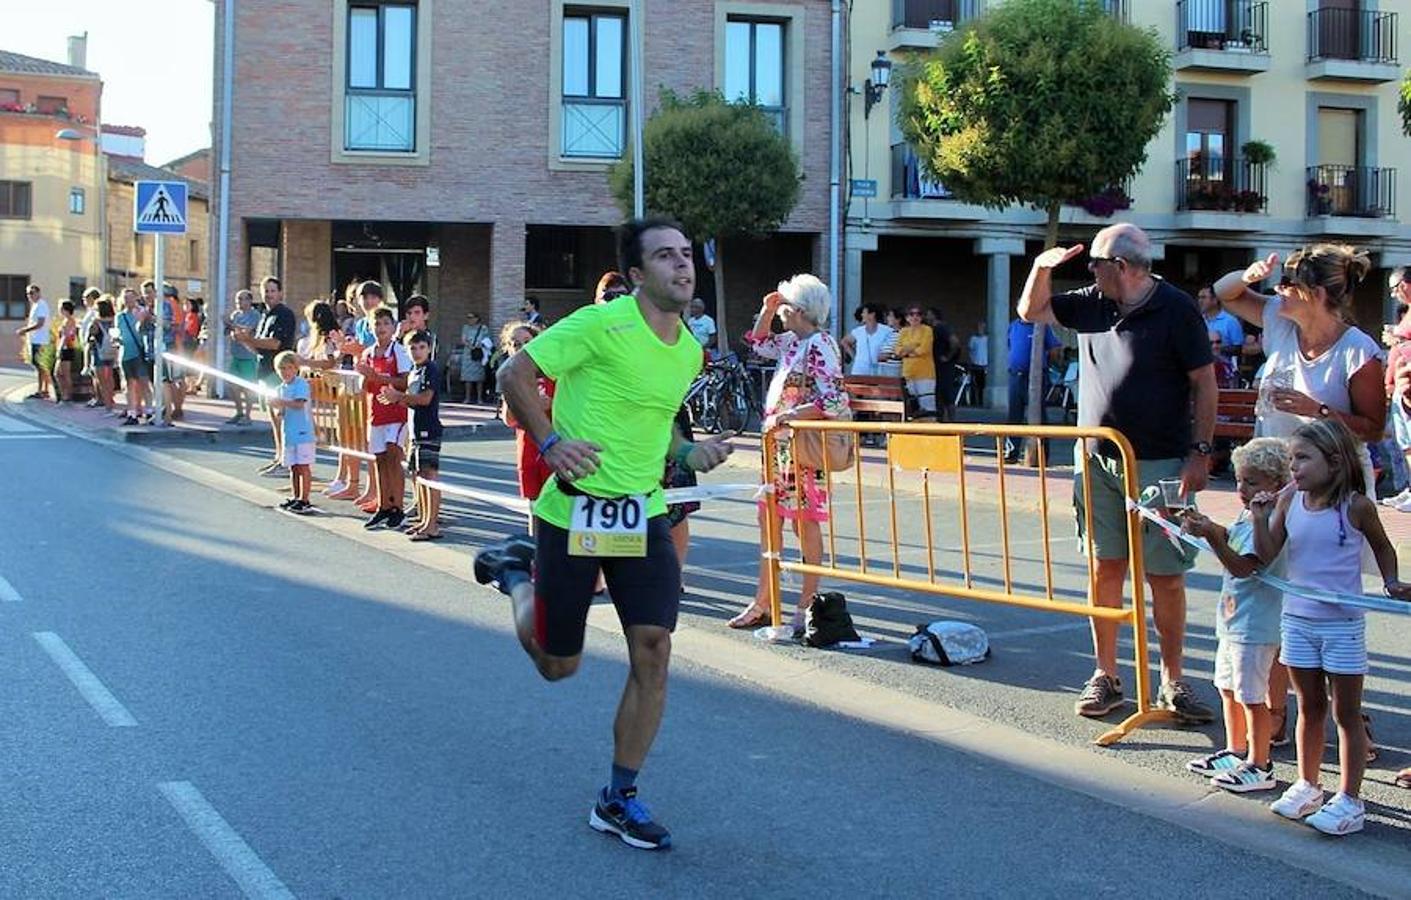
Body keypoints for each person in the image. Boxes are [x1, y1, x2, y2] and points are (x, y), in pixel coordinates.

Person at [473, 217, 733, 851]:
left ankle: (619, 796)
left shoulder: (689, 349)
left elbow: (660, 415)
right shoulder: (599, 325)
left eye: (686, 255)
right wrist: (551, 441)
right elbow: (514, 374)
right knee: (558, 665)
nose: (682, 265)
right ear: (638, 275)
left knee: (655, 649)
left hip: (640, 513)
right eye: (665, 257)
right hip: (574, 512)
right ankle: (515, 575)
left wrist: (687, 453)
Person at [1019, 223, 1218, 723]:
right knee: (1105, 566)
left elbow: (1204, 382)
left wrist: (1200, 452)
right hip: (1098, 456)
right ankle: (1105, 675)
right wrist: (1042, 268)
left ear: (1123, 267)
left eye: (1097, 264)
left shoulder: (1176, 309)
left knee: (1165, 575)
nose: (1088, 273)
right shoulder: (1093, 301)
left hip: (1161, 462)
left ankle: (1174, 679)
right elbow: (1031, 311)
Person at [1253, 419, 1411, 835]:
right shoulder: (1289, 502)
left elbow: (1382, 545)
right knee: (1309, 706)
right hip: (1297, 620)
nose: (1294, 469)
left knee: (1346, 712)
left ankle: (1350, 798)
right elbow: (1268, 553)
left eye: (1303, 458)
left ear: (1336, 461)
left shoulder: (1357, 506)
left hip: (1342, 625)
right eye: (1291, 460)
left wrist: (1392, 581)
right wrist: (1260, 516)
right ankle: (1308, 784)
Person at [1213, 246, 1385, 497]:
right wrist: (1246, 277)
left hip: (1334, 489)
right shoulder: (1279, 320)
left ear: (1316, 293)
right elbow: (1224, 293)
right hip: (1277, 481)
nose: (1278, 289)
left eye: (1287, 282)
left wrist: (1318, 411)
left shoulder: (1357, 350)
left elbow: (1373, 429)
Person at [730, 275, 850, 632]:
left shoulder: (820, 344)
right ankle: (764, 601)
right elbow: (758, 344)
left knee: (804, 522)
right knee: (769, 520)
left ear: (798, 311)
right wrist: (766, 310)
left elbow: (834, 397)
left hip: (802, 449)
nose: (781, 312)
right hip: (779, 447)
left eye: (784, 307)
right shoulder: (792, 342)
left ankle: (804, 604)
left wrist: (792, 415)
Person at [1181, 438, 1290, 794]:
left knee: (1251, 696)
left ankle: (1260, 763)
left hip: (1256, 624)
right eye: (1241, 480)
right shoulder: (1250, 513)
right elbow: (1235, 538)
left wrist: (1213, 537)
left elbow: (1246, 565)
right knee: (1227, 687)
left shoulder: (1270, 519)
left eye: (1253, 482)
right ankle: (1235, 748)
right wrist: (1210, 526)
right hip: (1234, 618)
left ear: (1276, 483)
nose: (1242, 489)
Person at [380, 330, 444, 540]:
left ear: (429, 348)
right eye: (413, 348)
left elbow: (425, 399)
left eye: (421, 347)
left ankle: (432, 524)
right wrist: (396, 398)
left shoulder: (430, 369)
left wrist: (399, 396)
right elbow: (410, 399)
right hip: (415, 430)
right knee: (418, 476)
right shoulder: (414, 371)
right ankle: (424, 520)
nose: (417, 352)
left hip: (428, 429)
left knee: (429, 476)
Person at [233, 276, 297, 475]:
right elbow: (258, 347)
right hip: (264, 371)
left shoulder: (284, 314)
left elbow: (275, 343)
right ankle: (279, 456)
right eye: (265, 291)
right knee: (272, 417)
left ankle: (287, 460)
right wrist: (244, 340)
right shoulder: (265, 316)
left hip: (279, 374)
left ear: (280, 293)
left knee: (281, 418)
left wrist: (249, 338)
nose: (269, 294)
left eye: (272, 290)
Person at [357, 306, 412, 529]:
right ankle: (383, 506)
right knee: (379, 460)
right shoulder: (368, 353)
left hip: (396, 413)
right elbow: (365, 385)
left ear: (393, 326)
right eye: (377, 324)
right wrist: (365, 377)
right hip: (376, 413)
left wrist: (378, 377)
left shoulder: (398, 351)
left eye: (385, 323)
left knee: (393, 456)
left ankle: (398, 507)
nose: (381, 328)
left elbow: (406, 381)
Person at [336, 280, 387, 505]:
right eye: (363, 297)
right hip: (361, 385)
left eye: (372, 296)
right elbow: (360, 355)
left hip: (380, 385)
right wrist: (345, 347)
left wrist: (356, 350)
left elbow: (375, 352)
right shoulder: (360, 324)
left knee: (378, 442)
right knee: (360, 438)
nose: (368, 301)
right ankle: (363, 486)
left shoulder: (384, 321)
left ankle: (379, 491)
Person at [499, 321, 554, 511]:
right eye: (515, 344)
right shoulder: (510, 379)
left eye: (526, 342)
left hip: (554, 450)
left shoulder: (553, 373)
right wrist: (530, 404)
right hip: (528, 450)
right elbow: (509, 418)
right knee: (533, 507)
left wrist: (547, 404)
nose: (521, 348)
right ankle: (534, 540)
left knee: (555, 506)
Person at [1004, 316, 1063, 462]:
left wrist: (1048, 363)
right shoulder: (1013, 326)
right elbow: (1010, 346)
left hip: (1036, 378)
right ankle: (1011, 452)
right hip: (1016, 376)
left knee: (1038, 416)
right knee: (1014, 415)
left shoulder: (1042, 326)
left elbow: (1055, 348)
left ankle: (1040, 455)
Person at [268, 351, 315, 515]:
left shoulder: (301, 384)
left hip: (303, 431)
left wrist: (281, 402)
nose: (286, 372)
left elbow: (299, 403)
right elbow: (281, 411)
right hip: (289, 432)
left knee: (303, 466)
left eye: (289, 368)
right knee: (293, 467)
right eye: (282, 369)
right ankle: (296, 497)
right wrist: (278, 409)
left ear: (296, 369)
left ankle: (305, 498)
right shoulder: (280, 388)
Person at [115, 288, 152, 425]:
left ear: (136, 298)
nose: (128, 301)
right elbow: (118, 332)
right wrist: (117, 339)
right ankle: (132, 413)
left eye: (130, 298)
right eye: (125, 298)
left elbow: (146, 329)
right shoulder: (120, 316)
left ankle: (149, 411)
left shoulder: (141, 312)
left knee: (144, 383)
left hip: (139, 352)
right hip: (126, 354)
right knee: (129, 385)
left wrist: (142, 318)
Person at [225, 290, 261, 425]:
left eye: (241, 299)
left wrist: (232, 325)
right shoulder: (235, 315)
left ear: (249, 300)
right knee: (232, 385)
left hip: (248, 355)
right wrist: (228, 326)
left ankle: (248, 415)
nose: (239, 302)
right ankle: (239, 412)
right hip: (236, 354)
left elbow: (249, 330)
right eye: (237, 299)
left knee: (248, 387)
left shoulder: (255, 315)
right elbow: (228, 332)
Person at [893, 306, 936, 418]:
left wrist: (906, 351)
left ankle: (930, 430)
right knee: (911, 406)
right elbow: (897, 350)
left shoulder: (927, 330)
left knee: (928, 405)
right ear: (907, 317)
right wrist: (914, 346)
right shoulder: (903, 331)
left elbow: (924, 349)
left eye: (918, 314)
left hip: (925, 374)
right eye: (911, 314)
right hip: (908, 374)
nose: (915, 317)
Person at [17, 283, 51, 400]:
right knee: (39, 366)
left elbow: (40, 323)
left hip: (40, 340)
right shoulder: (36, 305)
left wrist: (25, 330)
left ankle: (43, 390)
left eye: (32, 293)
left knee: (40, 365)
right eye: (28, 293)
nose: (29, 295)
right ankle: (43, 389)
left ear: (38, 293)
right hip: (35, 339)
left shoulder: (41, 305)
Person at [840, 303, 894, 377]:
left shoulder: (887, 331)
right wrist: (854, 357)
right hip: (859, 371)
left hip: (879, 372)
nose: (862, 315)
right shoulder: (858, 331)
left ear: (872, 314)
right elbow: (844, 341)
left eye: (864, 312)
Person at [1197, 284, 1245, 366]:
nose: (1200, 301)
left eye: (1204, 297)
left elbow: (1238, 349)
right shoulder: (1198, 320)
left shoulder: (1231, 321)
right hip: (1202, 368)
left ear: (1215, 300)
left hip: (1224, 370)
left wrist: (1216, 348)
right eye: (1199, 297)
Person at [927, 307, 961, 422]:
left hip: (945, 367)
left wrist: (948, 357)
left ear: (934, 315)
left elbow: (955, 342)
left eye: (928, 315)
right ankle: (941, 420)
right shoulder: (931, 329)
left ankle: (952, 422)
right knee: (939, 394)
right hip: (936, 366)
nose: (926, 317)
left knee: (947, 394)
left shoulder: (941, 328)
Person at [87, 296, 117, 410]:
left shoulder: (96, 321)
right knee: (110, 377)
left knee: (101, 379)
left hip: (99, 350)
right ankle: (111, 398)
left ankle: (107, 403)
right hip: (111, 350)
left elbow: (92, 333)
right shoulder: (114, 320)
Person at [458, 311, 493, 404]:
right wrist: (470, 345)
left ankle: (479, 398)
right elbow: (463, 339)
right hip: (468, 353)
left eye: (471, 317)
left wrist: (479, 345)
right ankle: (467, 398)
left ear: (477, 318)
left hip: (479, 353)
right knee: (467, 377)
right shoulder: (466, 327)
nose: (469, 319)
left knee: (479, 378)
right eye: (468, 317)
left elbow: (487, 339)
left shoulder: (483, 328)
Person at [53, 300, 80, 403]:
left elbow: (67, 335)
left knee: (64, 373)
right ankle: (65, 394)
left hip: (67, 348)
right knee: (58, 373)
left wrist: (60, 348)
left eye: (61, 308)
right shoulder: (66, 320)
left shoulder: (70, 321)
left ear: (66, 310)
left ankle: (68, 396)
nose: (60, 310)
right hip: (65, 347)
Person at [967, 319, 988, 402]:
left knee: (983, 384)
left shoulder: (988, 339)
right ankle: (974, 401)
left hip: (985, 364)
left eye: (982, 327)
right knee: (975, 384)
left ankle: (982, 400)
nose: (980, 329)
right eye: (979, 327)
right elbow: (970, 351)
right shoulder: (973, 339)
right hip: (975, 364)